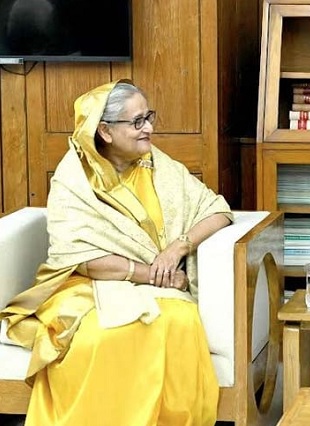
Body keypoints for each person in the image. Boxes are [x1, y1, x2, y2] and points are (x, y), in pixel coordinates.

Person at [0, 80, 232, 425]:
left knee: (180, 321)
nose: (149, 128)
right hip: (88, 286)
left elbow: (217, 210)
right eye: (137, 122)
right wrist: (152, 274)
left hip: (162, 281)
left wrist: (178, 246)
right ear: (105, 131)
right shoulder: (72, 179)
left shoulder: (157, 163)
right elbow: (78, 257)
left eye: (149, 117)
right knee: (102, 335)